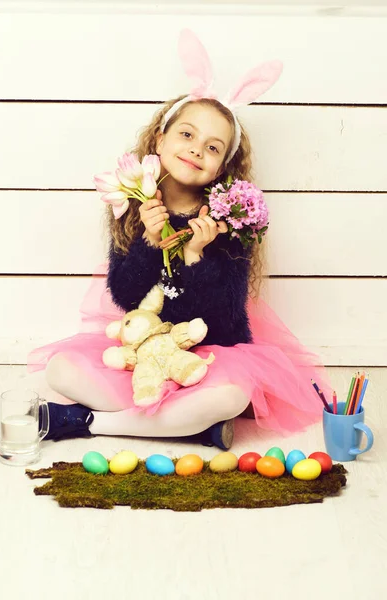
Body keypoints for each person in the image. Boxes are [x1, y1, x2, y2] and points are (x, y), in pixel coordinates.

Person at [26, 31, 333, 450]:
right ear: (160, 140)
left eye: (212, 147)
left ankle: (90, 423)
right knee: (60, 369)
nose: (195, 150)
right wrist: (150, 243)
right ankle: (192, 429)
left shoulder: (227, 221)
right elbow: (124, 295)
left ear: (223, 167)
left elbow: (224, 323)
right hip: (146, 347)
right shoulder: (137, 205)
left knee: (233, 395)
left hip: (206, 357)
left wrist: (193, 257)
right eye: (186, 135)